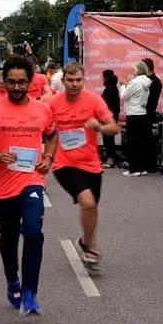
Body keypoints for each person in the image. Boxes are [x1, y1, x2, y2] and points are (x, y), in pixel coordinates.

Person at [0, 56, 57, 315]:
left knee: (32, 232)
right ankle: (12, 280)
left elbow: (52, 136)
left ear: (31, 83)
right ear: (3, 83)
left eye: (22, 82)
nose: (17, 87)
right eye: (12, 82)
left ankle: (30, 292)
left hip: (32, 181)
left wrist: (48, 158)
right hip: (3, 185)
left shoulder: (42, 109)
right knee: (8, 238)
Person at [48, 63, 119, 271]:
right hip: (64, 163)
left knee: (92, 206)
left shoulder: (94, 100)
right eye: (70, 80)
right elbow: (42, 129)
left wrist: (101, 127)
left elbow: (114, 128)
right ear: (63, 81)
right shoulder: (53, 104)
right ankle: (91, 246)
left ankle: (85, 240)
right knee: (87, 202)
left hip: (91, 163)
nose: (75, 84)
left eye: (78, 80)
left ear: (83, 80)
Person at [120, 61, 152, 177]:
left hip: (133, 114)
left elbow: (124, 96)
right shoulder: (147, 82)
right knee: (141, 142)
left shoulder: (135, 82)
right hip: (142, 114)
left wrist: (123, 85)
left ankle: (134, 169)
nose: (133, 71)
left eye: (134, 69)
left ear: (138, 70)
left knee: (133, 142)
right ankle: (142, 168)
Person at [101, 70, 120, 168]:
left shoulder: (110, 89)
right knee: (108, 139)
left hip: (108, 118)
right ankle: (111, 158)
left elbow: (104, 103)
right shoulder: (113, 88)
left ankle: (111, 159)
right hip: (111, 116)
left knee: (108, 139)